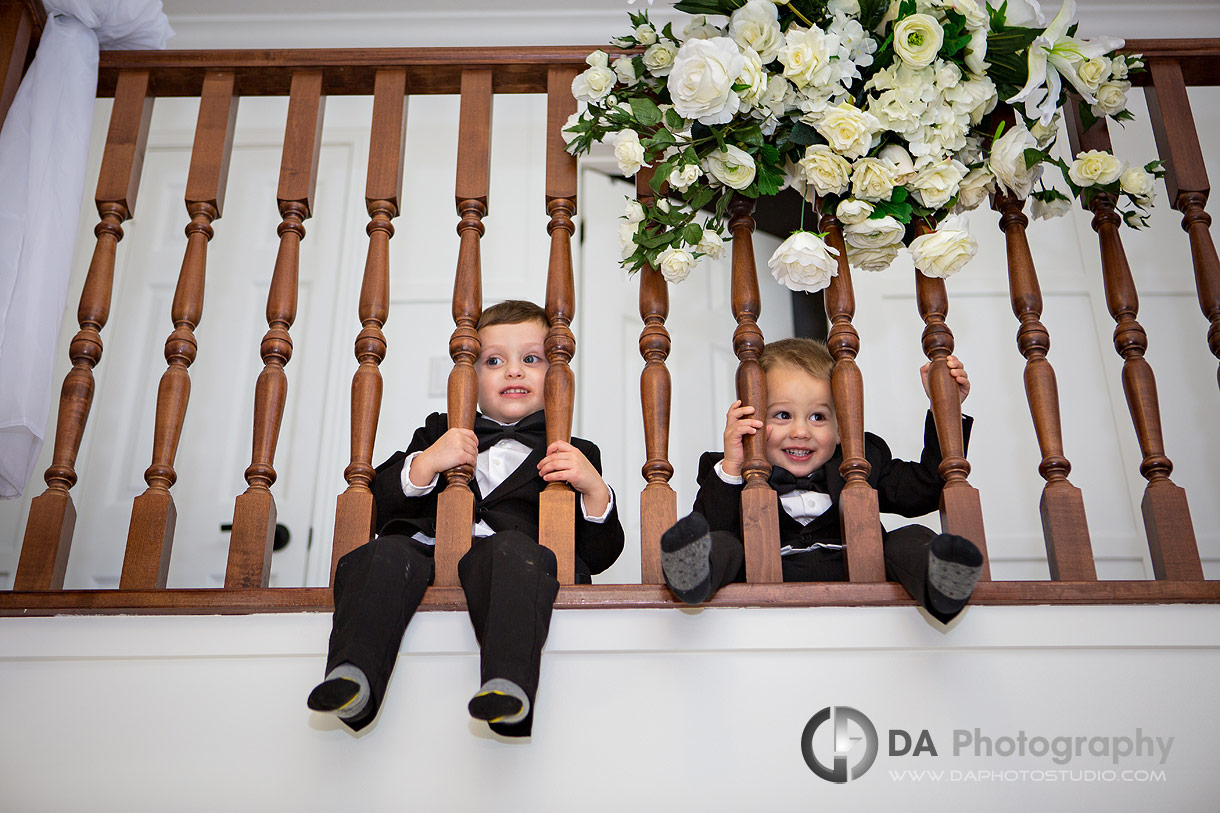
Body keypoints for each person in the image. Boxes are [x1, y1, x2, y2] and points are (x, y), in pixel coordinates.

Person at [307, 300, 624, 737]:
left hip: (512, 561)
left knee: (515, 553)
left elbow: (600, 553)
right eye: (494, 361)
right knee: (380, 554)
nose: (514, 371)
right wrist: (426, 463)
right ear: (468, 378)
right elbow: (380, 503)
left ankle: (507, 684)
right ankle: (352, 675)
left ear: (556, 375)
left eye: (530, 359)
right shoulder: (438, 430)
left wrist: (593, 489)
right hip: (424, 550)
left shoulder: (577, 451)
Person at [660, 338, 983, 623]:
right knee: (724, 544)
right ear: (751, 420)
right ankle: (691, 575)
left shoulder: (862, 459)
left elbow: (925, 488)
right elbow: (713, 522)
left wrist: (945, 408)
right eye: (783, 415)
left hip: (856, 566)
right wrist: (733, 463)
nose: (801, 431)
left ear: (842, 428)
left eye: (818, 417)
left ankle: (942, 581)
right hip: (765, 570)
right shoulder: (732, 468)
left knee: (908, 538)